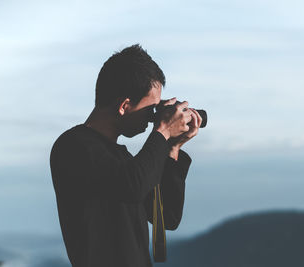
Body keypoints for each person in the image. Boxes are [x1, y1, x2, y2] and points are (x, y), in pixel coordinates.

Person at [49, 44, 202, 267]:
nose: (152, 118)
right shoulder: (74, 146)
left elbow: (167, 216)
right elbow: (132, 185)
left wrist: (172, 148)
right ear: (124, 105)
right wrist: (163, 131)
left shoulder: (122, 159)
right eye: (150, 108)